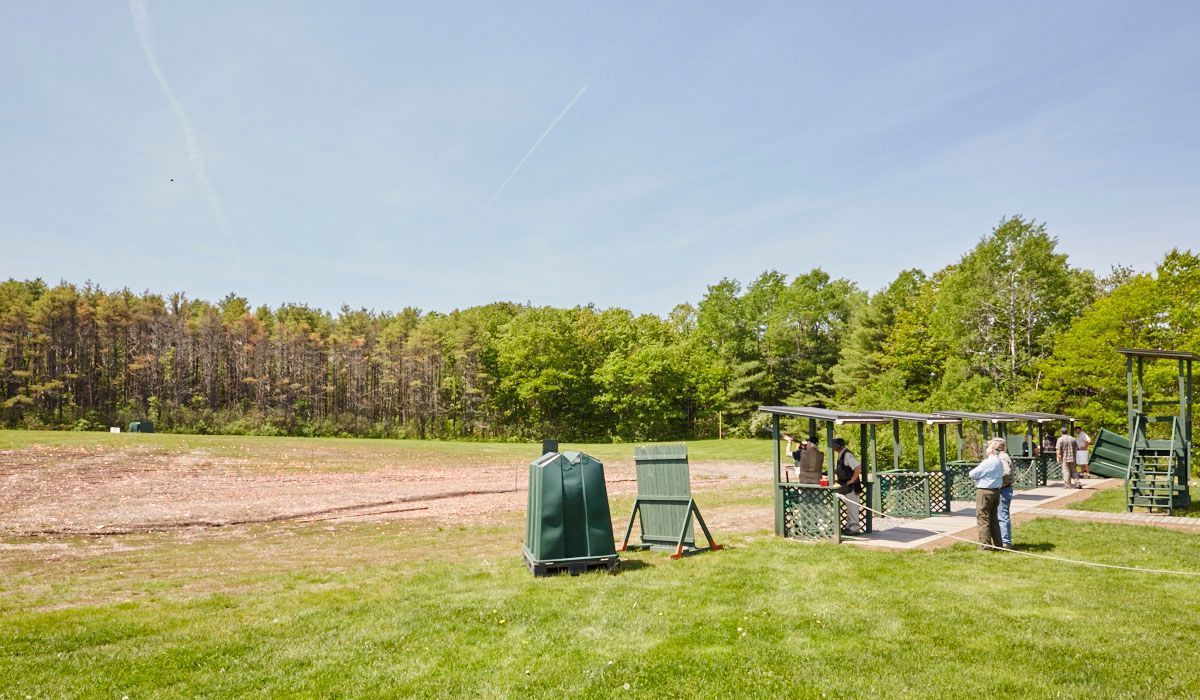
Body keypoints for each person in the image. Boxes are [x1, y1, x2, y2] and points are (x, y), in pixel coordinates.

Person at [969, 440, 1005, 550]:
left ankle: (985, 546)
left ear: (992, 450)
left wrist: (980, 477)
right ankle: (998, 545)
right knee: (993, 519)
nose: (987, 448)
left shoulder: (988, 462)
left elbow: (972, 474)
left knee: (983, 518)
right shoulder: (999, 461)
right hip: (995, 491)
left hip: (985, 492)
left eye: (988, 446)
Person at [832, 438, 864, 535]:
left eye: (834, 445)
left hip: (852, 486)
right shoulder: (841, 454)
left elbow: (857, 467)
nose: (833, 447)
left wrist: (853, 479)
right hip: (846, 486)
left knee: (853, 507)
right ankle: (849, 526)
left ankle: (855, 528)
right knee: (850, 507)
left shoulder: (847, 454)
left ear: (839, 445)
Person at [992, 437, 1015, 549]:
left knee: (1002, 515)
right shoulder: (1002, 456)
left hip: (1004, 490)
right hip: (1004, 489)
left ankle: (1005, 542)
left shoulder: (1002, 457)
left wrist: (996, 480)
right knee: (1002, 515)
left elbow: (1006, 472)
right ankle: (1003, 540)